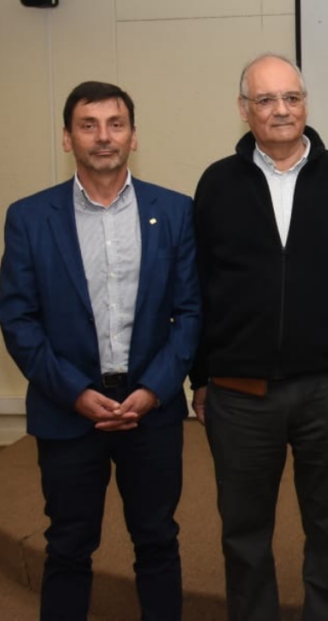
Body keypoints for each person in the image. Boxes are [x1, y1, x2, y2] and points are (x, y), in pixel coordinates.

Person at [0, 81, 201, 620]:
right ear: (67, 138)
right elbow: (18, 319)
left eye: (116, 124)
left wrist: (154, 390)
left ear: (134, 136)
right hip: (67, 412)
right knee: (68, 546)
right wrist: (75, 393)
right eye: (88, 126)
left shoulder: (174, 211)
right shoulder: (29, 217)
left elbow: (190, 313)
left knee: (157, 540)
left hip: (150, 412)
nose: (103, 137)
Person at [189, 54, 328, 621]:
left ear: (306, 104)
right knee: (244, 533)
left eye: (291, 97)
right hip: (240, 393)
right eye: (266, 99)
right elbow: (198, 284)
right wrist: (201, 375)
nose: (281, 110)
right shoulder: (217, 183)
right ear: (244, 110)